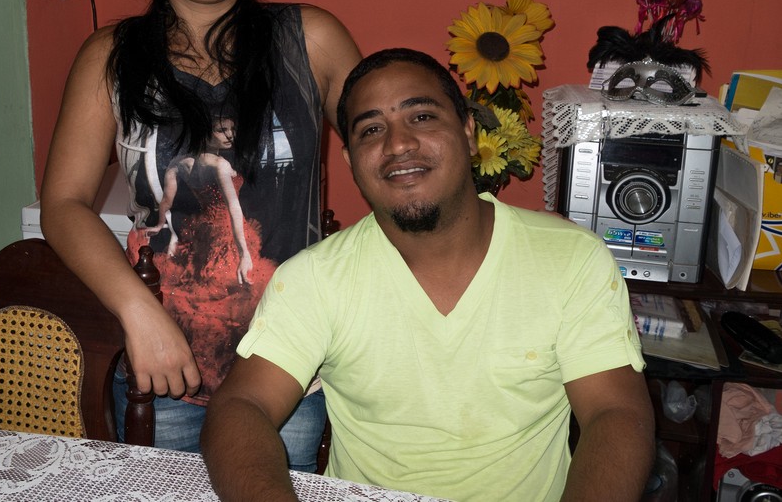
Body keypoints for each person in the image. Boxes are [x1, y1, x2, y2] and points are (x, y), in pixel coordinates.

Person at [201, 48, 655, 501]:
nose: (398, 144)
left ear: (469, 133)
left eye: (421, 117)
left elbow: (614, 413)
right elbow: (242, 406)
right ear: (351, 160)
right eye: (372, 129)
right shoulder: (316, 279)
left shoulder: (570, 259)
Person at [39, 0, 360, 469]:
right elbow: (64, 203)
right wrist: (139, 312)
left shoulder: (311, 42)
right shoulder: (110, 58)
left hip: (289, 379)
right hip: (160, 374)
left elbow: (391, 161)